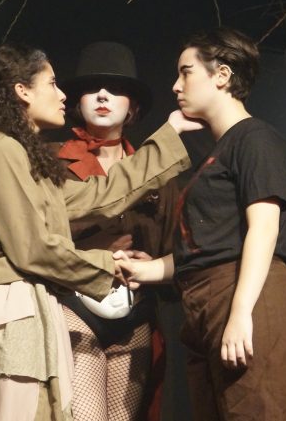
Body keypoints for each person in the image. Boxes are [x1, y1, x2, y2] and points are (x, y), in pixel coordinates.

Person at [0, 43, 200, 421]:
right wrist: (109, 264)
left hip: (39, 310)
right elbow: (33, 249)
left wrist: (169, 135)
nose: (63, 94)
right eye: (52, 83)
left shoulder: (22, 156)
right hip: (12, 312)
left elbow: (100, 193)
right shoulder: (3, 150)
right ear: (22, 91)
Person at [115, 28, 286, 420]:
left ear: (222, 75)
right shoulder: (217, 153)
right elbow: (208, 248)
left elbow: (264, 228)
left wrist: (240, 313)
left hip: (250, 299)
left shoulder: (256, 138)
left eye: (186, 72)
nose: (176, 86)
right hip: (207, 307)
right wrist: (147, 269)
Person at [53, 42, 178, 421]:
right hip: (73, 306)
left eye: (116, 89)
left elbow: (175, 249)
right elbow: (32, 235)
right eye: (92, 88)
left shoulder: (159, 172)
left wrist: (152, 265)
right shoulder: (51, 161)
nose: (103, 95)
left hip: (135, 313)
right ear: (78, 101)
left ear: (133, 105)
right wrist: (93, 244)